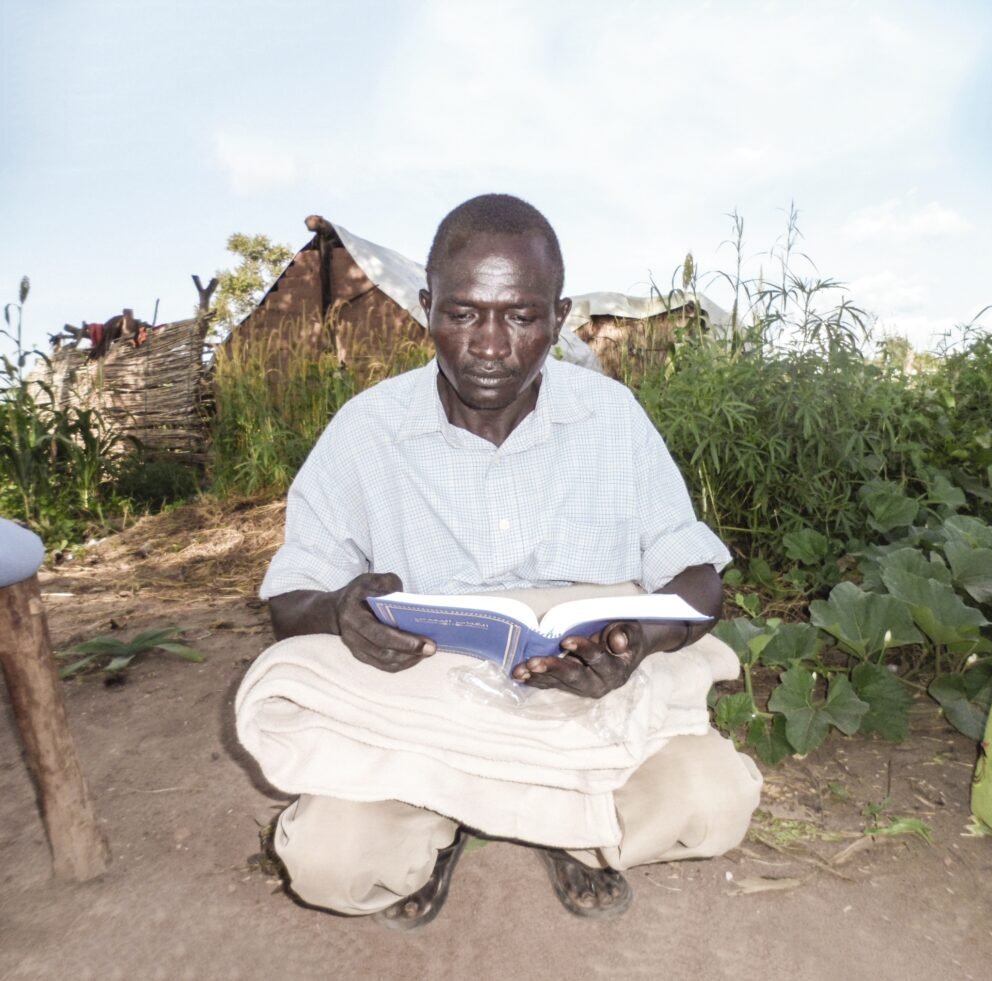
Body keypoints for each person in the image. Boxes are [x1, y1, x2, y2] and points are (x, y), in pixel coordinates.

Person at [243, 193, 761, 930]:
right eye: (462, 314)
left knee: (713, 807)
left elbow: (698, 576)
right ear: (427, 308)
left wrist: (634, 640)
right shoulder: (367, 431)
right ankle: (497, 813)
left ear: (559, 315)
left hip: (588, 704)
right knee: (334, 862)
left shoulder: (611, 418)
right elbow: (291, 595)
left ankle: (549, 811)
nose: (490, 343)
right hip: (426, 714)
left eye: (521, 316)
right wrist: (340, 612)